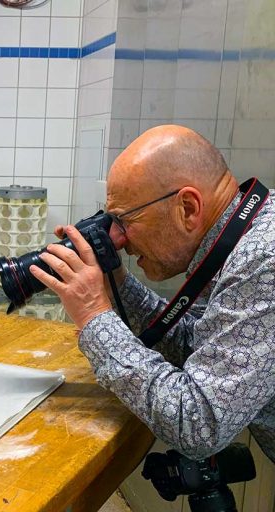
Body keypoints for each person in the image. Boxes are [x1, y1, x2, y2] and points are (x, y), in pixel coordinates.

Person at [30, 124, 275, 462]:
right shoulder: (243, 239)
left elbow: (199, 424)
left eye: (124, 220)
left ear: (187, 208)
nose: (119, 239)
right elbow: (196, 347)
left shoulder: (263, 260)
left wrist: (93, 314)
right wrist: (115, 282)